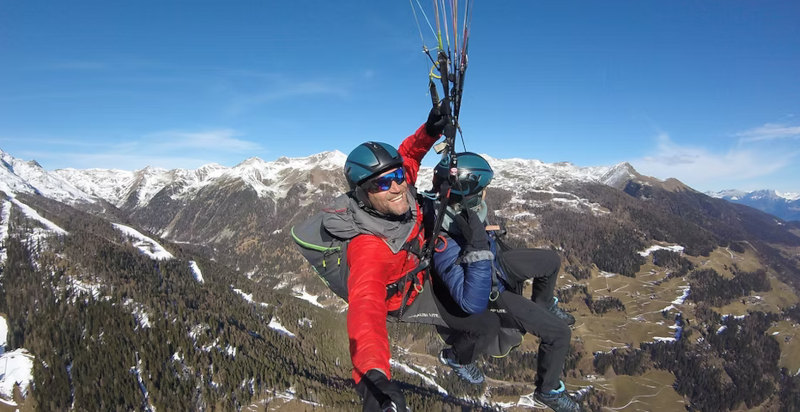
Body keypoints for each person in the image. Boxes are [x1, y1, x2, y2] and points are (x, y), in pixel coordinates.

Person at [428, 152, 582, 412]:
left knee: (550, 262)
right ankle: (548, 391)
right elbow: (469, 300)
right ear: (473, 193)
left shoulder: (460, 212)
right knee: (559, 334)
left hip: (494, 264)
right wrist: (477, 242)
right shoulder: (446, 240)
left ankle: (544, 304)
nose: (487, 194)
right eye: (484, 189)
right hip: (491, 290)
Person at [318, 106, 447, 411]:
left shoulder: (399, 191)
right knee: (476, 314)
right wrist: (374, 379)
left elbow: (409, 156)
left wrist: (429, 131)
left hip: (419, 268)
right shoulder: (369, 248)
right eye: (382, 183)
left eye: (398, 176)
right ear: (363, 193)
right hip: (411, 293)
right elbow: (365, 310)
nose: (397, 186)